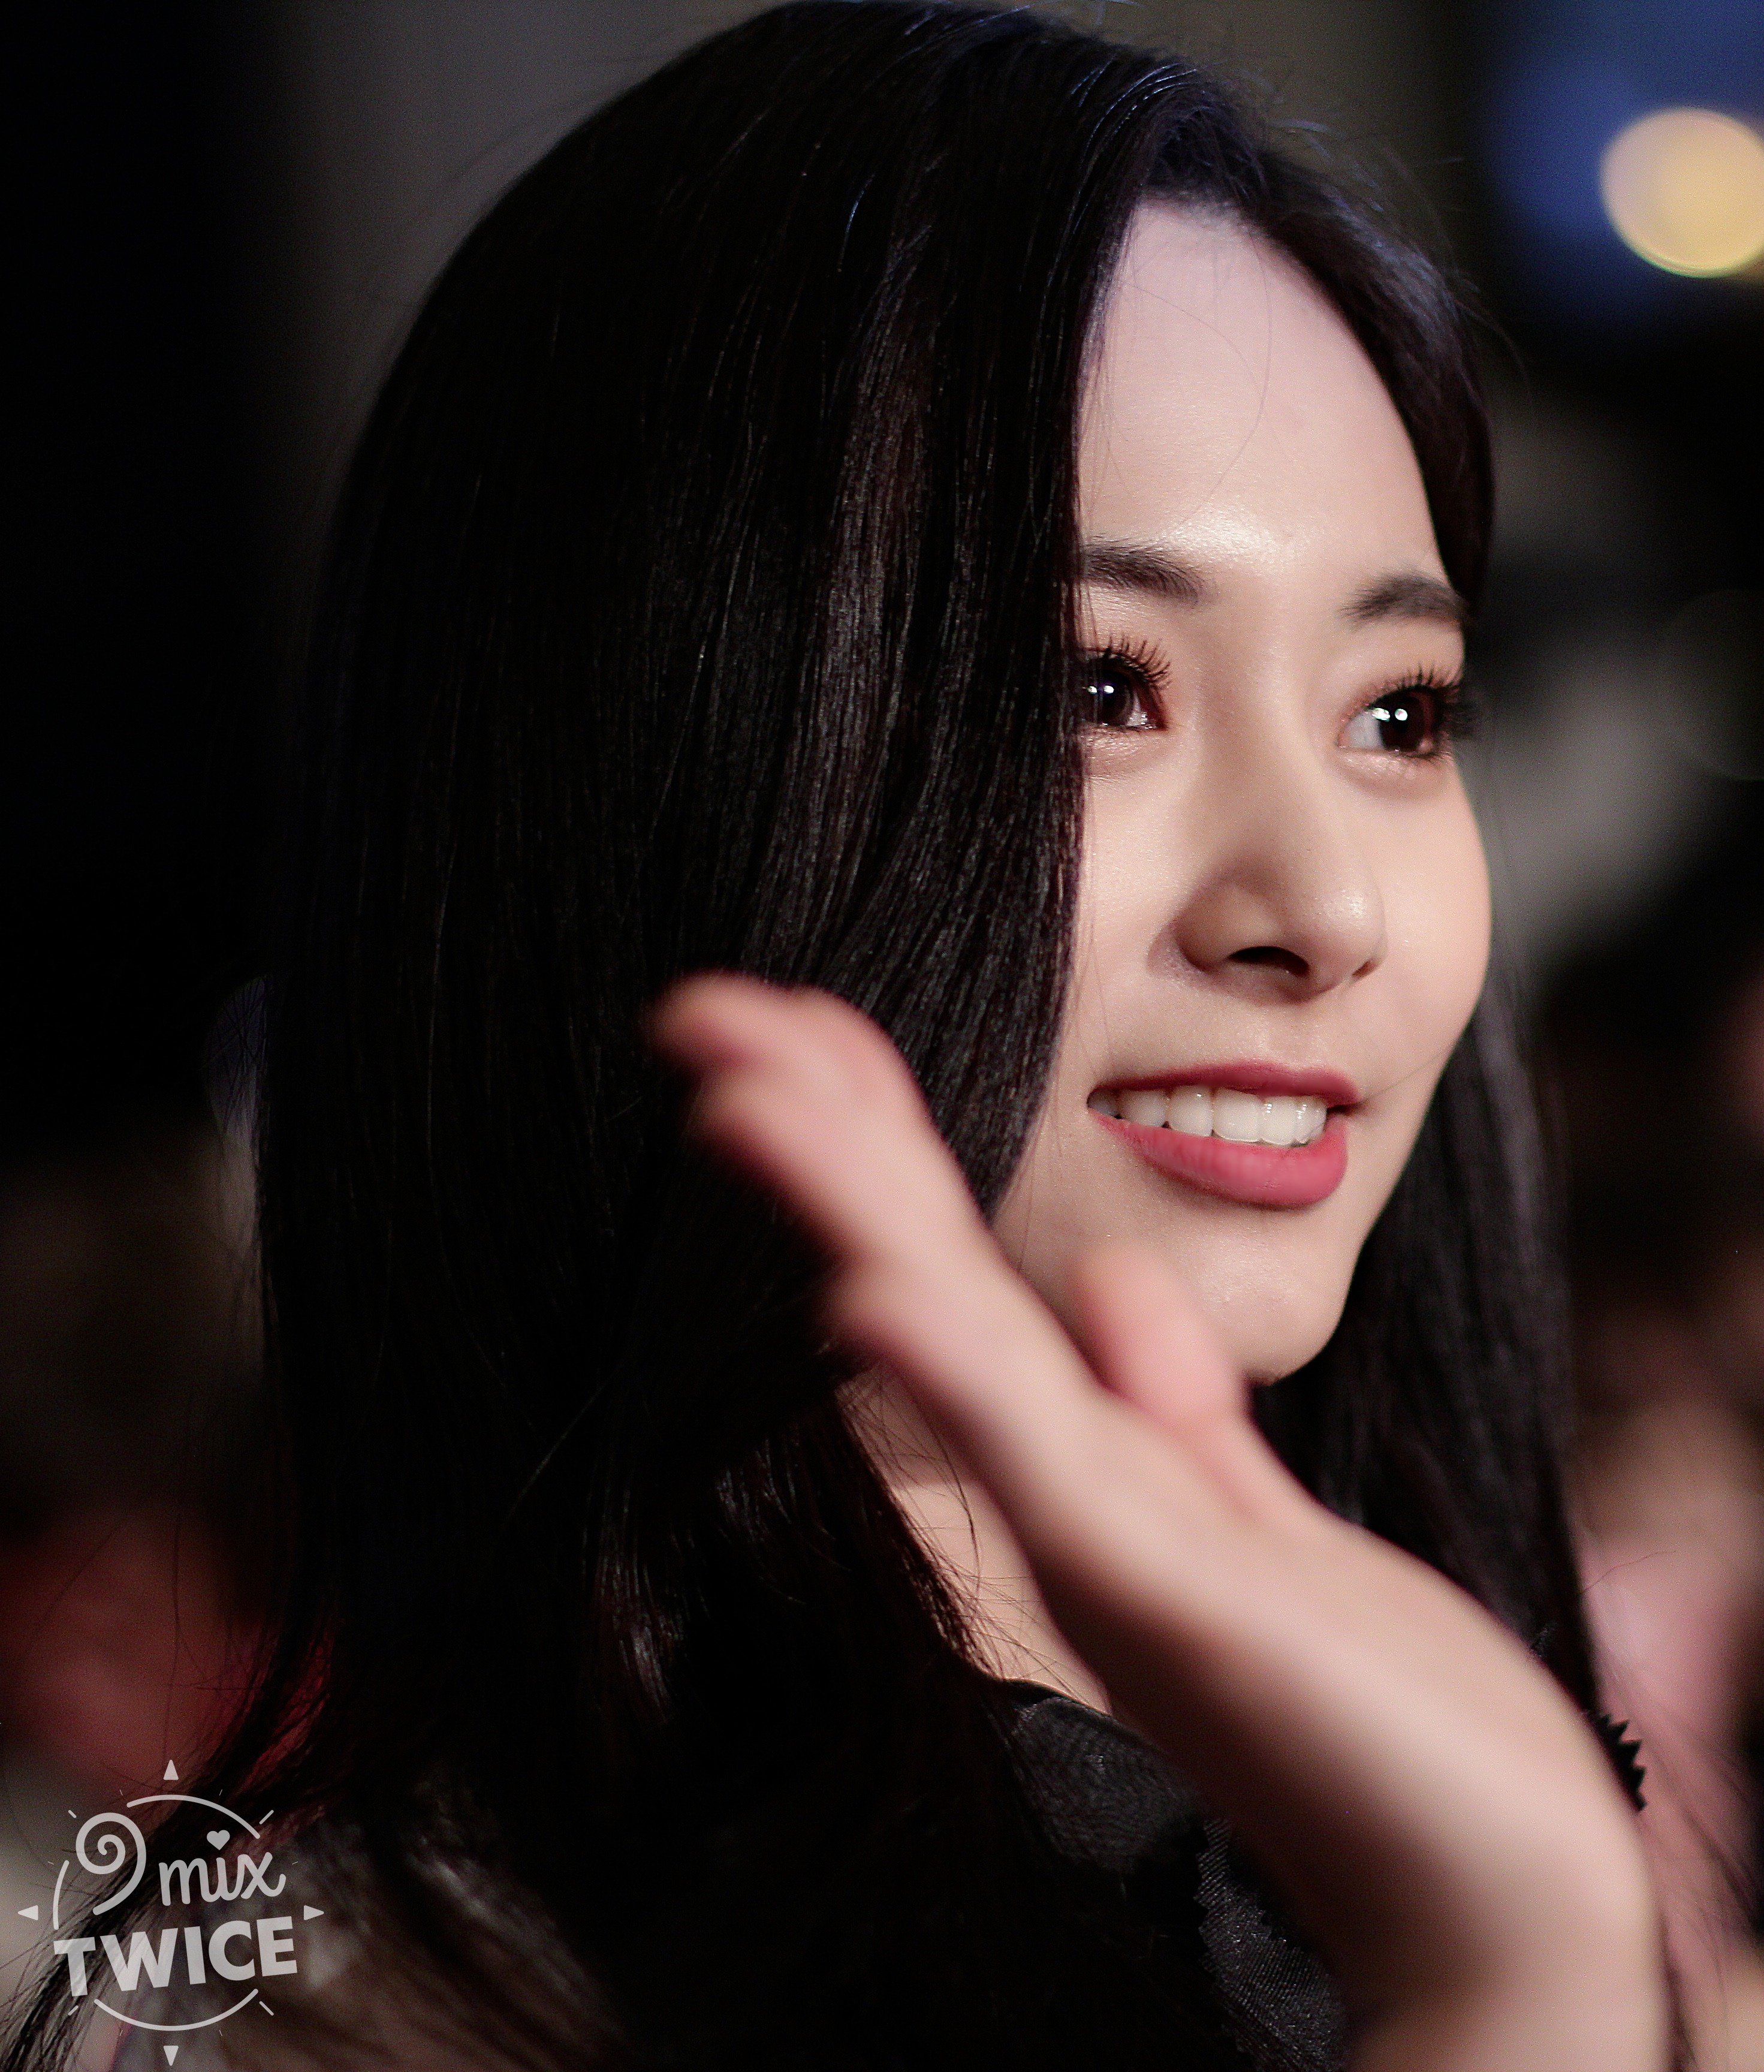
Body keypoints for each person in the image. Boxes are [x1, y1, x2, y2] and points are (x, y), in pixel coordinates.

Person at [10, 5, 1668, 2067]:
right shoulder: (360, 2011)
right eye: (1097, 686)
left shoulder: (1483, 1821)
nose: (1324, 910)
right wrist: (1515, 1991)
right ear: (642, 763)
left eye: (1400, 715)